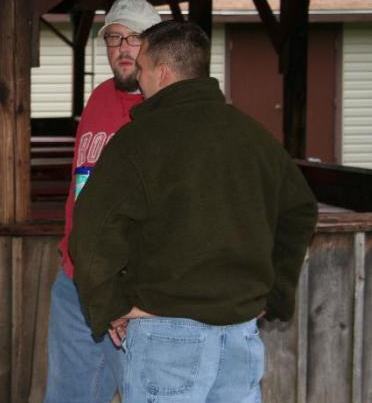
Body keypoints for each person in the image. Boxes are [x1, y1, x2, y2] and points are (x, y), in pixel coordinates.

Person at [70, 20, 319, 402]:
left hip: (165, 334)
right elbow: (300, 211)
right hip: (241, 333)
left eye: (142, 69)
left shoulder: (138, 141)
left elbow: (90, 234)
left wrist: (112, 307)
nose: (138, 80)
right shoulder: (255, 138)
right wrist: (274, 297)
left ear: (164, 72)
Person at [43, 0, 161, 403]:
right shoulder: (98, 97)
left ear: (156, 45)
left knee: (144, 393)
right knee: (67, 395)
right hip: (76, 278)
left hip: (132, 289)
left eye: (135, 38)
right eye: (114, 38)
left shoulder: (164, 109)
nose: (123, 48)